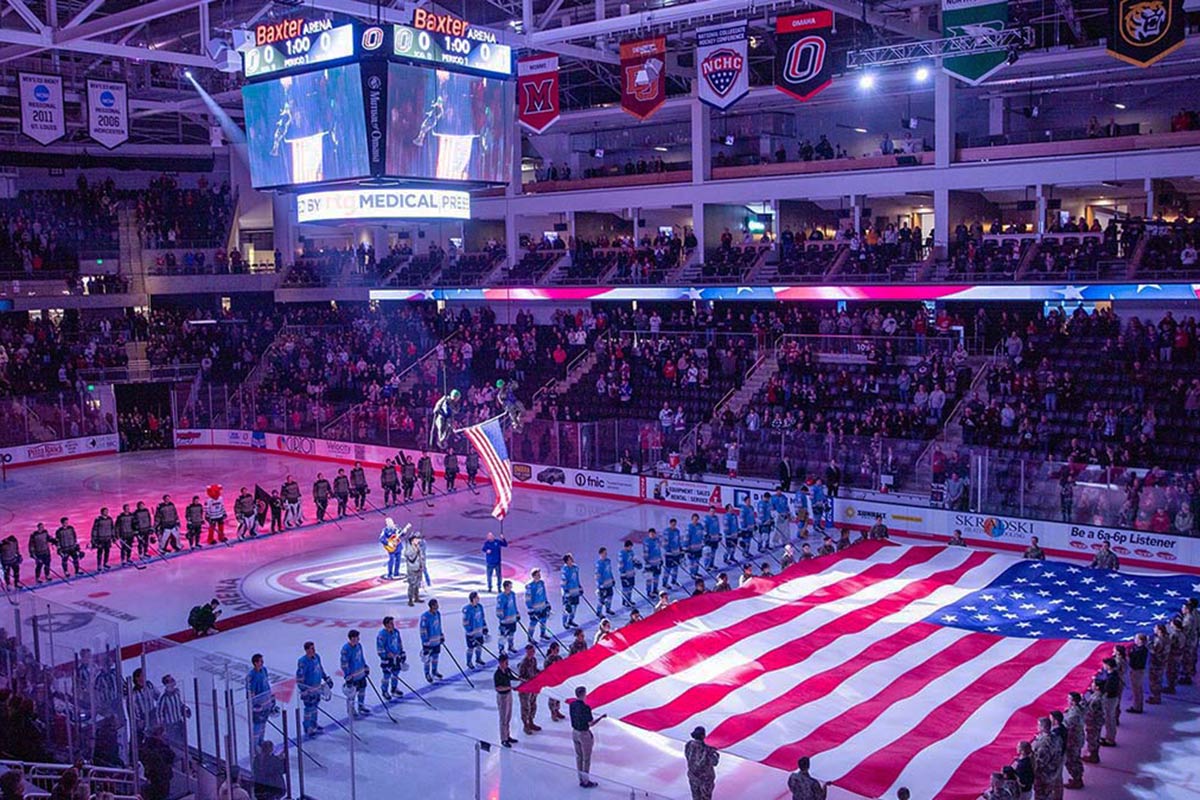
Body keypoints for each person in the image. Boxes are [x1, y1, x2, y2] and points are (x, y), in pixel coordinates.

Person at [296, 641, 333, 738]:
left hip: (317, 687)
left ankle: (314, 724)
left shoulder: (317, 657)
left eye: (314, 648)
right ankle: (307, 727)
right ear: (307, 650)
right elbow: (299, 678)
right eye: (311, 648)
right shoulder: (302, 662)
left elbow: (320, 669)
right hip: (309, 690)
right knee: (309, 709)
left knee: (315, 707)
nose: (314, 650)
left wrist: (326, 678)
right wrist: (304, 690)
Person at [570, 685, 604, 788]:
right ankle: (586, 781)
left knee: (579, 757)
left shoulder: (572, 704)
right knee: (586, 758)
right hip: (584, 735)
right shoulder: (586, 708)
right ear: (584, 694)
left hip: (574, 733)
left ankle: (581, 779)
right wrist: (601, 717)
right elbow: (591, 723)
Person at [340, 629, 371, 717]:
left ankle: (361, 706)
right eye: (357, 637)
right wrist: (347, 675)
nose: (358, 639)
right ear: (352, 638)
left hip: (361, 674)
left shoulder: (359, 646)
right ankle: (351, 709)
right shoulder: (346, 649)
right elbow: (344, 664)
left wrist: (365, 666)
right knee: (352, 694)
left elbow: (361, 657)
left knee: (362, 691)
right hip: (353, 676)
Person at [246, 653, 276, 746]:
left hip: (266, 703)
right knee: (257, 725)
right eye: (260, 661)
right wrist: (254, 704)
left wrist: (271, 697)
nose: (262, 662)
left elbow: (266, 684)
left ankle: (260, 742)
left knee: (263, 724)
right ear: (255, 663)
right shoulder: (251, 676)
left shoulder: (264, 670)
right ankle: (254, 745)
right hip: (258, 705)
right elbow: (250, 692)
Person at [376, 616, 408, 700]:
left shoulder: (396, 632)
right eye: (391, 623)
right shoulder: (381, 635)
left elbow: (399, 643)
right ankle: (384, 691)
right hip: (387, 660)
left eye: (393, 623)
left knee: (395, 674)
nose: (393, 624)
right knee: (386, 675)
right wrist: (386, 655)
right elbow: (380, 649)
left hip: (396, 657)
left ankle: (394, 689)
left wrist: (402, 653)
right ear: (386, 625)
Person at [685, 725, 720, 800]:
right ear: (703, 735)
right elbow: (715, 762)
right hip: (705, 780)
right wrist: (716, 753)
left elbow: (687, 756)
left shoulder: (689, 744)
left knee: (696, 797)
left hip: (693, 776)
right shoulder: (707, 748)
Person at [156, 674, 191, 749]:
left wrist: (185, 709)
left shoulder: (177, 692)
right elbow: (159, 713)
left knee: (183, 742)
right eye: (171, 680)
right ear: (167, 684)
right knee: (174, 745)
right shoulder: (163, 698)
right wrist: (163, 727)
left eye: (173, 679)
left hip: (179, 722)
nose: (174, 681)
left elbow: (180, 704)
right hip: (170, 725)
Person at [494, 653, 519, 747]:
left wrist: (520, 679)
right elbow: (498, 688)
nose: (507, 664)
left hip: (509, 694)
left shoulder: (507, 670)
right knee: (503, 718)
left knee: (508, 716)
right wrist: (509, 687)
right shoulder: (497, 674)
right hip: (502, 697)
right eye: (505, 662)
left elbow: (512, 677)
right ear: (501, 662)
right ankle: (503, 739)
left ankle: (507, 735)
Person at [131, 667, 161, 739]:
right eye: (142, 675)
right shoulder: (133, 693)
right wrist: (138, 721)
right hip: (143, 718)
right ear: (137, 678)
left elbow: (159, 697)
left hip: (152, 715)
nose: (144, 677)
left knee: (156, 736)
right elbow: (134, 711)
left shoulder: (149, 685)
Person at [1063, 691, 1085, 790]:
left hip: (1073, 740)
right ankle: (1077, 777)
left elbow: (1066, 725)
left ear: (1073, 702)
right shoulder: (1077, 709)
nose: (1067, 700)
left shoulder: (1074, 714)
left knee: (1072, 760)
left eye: (1069, 699)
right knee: (1075, 759)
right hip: (1077, 738)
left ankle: (1077, 779)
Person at [518, 644, 541, 735]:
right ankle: (525, 725)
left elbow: (535, 670)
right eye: (530, 652)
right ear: (527, 652)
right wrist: (528, 681)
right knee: (525, 708)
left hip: (533, 687)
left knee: (533, 705)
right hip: (525, 689)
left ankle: (531, 721)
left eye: (533, 651)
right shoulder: (523, 663)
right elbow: (520, 677)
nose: (532, 653)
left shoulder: (534, 660)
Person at [419, 598, 444, 682]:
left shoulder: (438, 614)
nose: (438, 606)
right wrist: (425, 641)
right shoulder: (425, 617)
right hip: (428, 643)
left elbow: (439, 626)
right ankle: (427, 673)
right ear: (432, 606)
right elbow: (423, 630)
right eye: (436, 604)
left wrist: (441, 635)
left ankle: (434, 671)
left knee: (435, 657)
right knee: (427, 659)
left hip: (436, 641)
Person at [463, 591, 488, 669]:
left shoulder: (480, 607)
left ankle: (478, 659)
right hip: (471, 633)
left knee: (479, 646)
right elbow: (465, 622)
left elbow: (482, 618)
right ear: (473, 599)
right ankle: (469, 662)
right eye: (477, 597)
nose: (478, 599)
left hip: (479, 632)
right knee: (471, 648)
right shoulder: (467, 609)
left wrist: (485, 627)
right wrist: (470, 632)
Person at [525, 568, 552, 640]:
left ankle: (542, 634)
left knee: (543, 620)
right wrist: (530, 609)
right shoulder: (530, 586)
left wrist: (547, 603)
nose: (539, 576)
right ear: (533, 576)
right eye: (537, 574)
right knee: (533, 623)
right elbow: (527, 598)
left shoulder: (541, 583)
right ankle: (530, 637)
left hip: (542, 606)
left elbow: (544, 594)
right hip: (535, 608)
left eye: (539, 574)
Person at [543, 642, 566, 721]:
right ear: (552, 649)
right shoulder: (548, 660)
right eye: (556, 649)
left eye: (558, 649)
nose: (557, 651)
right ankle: (553, 712)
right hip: (552, 681)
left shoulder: (559, 658)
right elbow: (546, 671)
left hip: (559, 680)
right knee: (553, 697)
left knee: (558, 696)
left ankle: (557, 710)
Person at [497, 579, 520, 655]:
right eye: (510, 586)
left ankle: (511, 646)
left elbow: (514, 605)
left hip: (512, 619)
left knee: (511, 634)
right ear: (506, 587)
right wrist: (502, 618)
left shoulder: (512, 594)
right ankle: (501, 649)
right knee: (503, 636)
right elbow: (499, 609)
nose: (511, 587)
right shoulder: (501, 597)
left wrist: (517, 613)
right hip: (505, 621)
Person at [561, 554, 582, 630]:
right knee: (567, 608)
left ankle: (571, 620)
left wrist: (579, 586)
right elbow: (563, 583)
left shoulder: (575, 568)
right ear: (566, 561)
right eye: (570, 559)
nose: (571, 560)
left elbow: (577, 578)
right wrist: (566, 593)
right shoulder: (565, 571)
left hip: (575, 590)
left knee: (574, 607)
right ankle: (564, 622)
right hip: (568, 592)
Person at [618, 540, 641, 609]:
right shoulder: (622, 554)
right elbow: (621, 565)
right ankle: (625, 600)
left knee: (631, 587)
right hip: (625, 574)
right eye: (630, 547)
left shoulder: (631, 552)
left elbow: (633, 560)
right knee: (626, 588)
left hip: (631, 573)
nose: (631, 548)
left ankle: (629, 599)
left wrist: (637, 564)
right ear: (626, 547)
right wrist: (623, 574)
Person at [1128, 632, 1148, 713]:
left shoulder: (1140, 651)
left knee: (1136, 690)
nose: (1134, 640)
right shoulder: (1141, 649)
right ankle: (1138, 706)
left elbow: (1134, 661)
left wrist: (1130, 656)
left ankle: (1137, 707)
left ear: (1140, 640)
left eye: (1136, 638)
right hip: (1138, 670)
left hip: (1137, 671)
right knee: (1137, 689)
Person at [405, 532, 425, 606]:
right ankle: (410, 600)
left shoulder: (418, 547)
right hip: (412, 569)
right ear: (412, 540)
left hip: (419, 568)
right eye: (417, 539)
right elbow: (411, 558)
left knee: (417, 584)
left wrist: (422, 565)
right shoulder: (409, 548)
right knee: (412, 585)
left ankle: (416, 597)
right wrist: (416, 552)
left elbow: (421, 557)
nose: (418, 540)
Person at [642, 527, 663, 598]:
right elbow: (645, 553)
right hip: (650, 563)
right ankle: (649, 592)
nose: (652, 535)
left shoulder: (657, 540)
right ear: (648, 534)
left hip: (657, 562)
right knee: (649, 579)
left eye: (653, 534)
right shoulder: (647, 542)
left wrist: (660, 559)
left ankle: (655, 589)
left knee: (656, 577)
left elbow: (658, 551)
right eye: (651, 534)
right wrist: (647, 562)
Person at [595, 546, 616, 617]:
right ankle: (599, 611)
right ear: (600, 554)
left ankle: (608, 609)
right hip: (603, 584)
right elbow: (598, 575)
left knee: (610, 596)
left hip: (609, 582)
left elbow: (610, 571)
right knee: (602, 599)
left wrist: (612, 579)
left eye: (606, 553)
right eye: (604, 553)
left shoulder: (608, 561)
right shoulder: (599, 564)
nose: (605, 554)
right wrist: (600, 585)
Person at [663, 518, 683, 589]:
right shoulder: (666, 532)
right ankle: (665, 582)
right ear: (670, 524)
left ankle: (674, 580)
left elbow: (678, 541)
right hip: (669, 554)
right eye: (672, 524)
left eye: (675, 524)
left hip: (676, 553)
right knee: (668, 568)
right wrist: (669, 551)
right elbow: (665, 544)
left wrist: (681, 549)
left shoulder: (677, 531)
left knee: (675, 568)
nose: (674, 526)